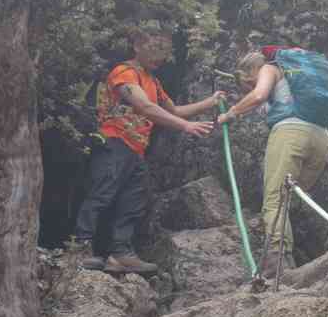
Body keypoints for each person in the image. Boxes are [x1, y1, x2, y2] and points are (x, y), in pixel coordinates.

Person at [75, 25, 222, 274]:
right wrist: (186, 126)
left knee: (132, 201)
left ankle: (120, 254)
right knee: (102, 193)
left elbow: (173, 111)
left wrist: (210, 102)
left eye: (164, 50)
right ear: (137, 46)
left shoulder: (153, 81)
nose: (160, 56)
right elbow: (144, 107)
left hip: (136, 149)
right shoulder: (124, 72)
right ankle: (79, 248)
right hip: (114, 142)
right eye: (154, 48)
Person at [218, 46, 328, 279]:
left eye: (248, 83)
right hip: (322, 137)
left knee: (275, 200)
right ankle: (287, 260)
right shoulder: (298, 74)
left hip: (290, 134)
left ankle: (277, 262)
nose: (250, 88)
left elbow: (259, 95)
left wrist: (231, 112)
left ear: (251, 71)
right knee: (288, 200)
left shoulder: (270, 68)